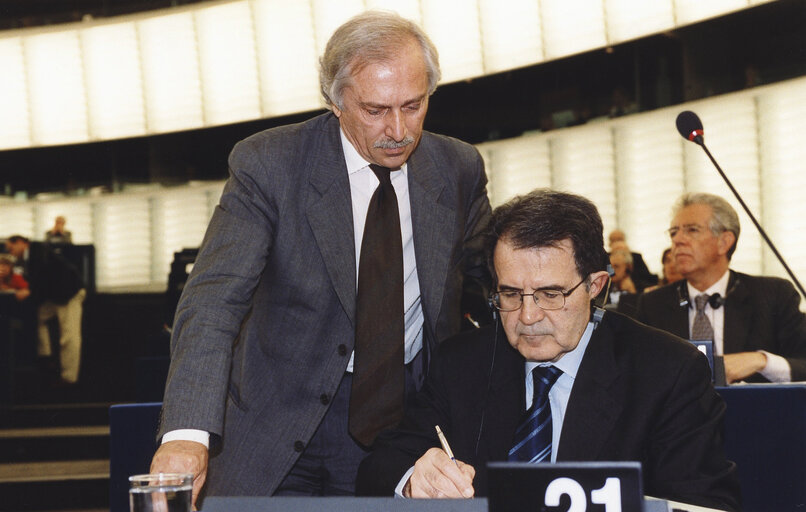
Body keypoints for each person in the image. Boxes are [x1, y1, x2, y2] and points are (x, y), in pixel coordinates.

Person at [149, 11, 492, 506]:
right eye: (375, 110)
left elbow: (492, 283)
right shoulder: (269, 165)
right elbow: (212, 304)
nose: (398, 130)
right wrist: (186, 434)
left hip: (402, 430)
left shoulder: (458, 168)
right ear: (334, 102)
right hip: (279, 421)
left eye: (413, 106)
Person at [356, 189, 740, 512]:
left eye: (550, 294)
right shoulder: (462, 363)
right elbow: (380, 466)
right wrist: (413, 481)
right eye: (509, 294)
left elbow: (701, 502)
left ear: (596, 285)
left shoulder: (666, 371)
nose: (527, 316)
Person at [637, 192, 806, 383]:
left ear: (724, 242)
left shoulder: (773, 295)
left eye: (692, 230)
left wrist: (761, 361)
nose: (678, 240)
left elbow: (802, 364)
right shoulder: (653, 304)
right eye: (674, 232)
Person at [4, 235, 86, 384]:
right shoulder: (28, 258)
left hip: (69, 293)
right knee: (37, 317)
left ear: (22, 243)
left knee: (69, 336)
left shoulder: (37, 248)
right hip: (56, 296)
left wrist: (29, 291)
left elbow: (41, 274)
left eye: (11, 248)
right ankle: (45, 354)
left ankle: (69, 378)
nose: (11, 252)